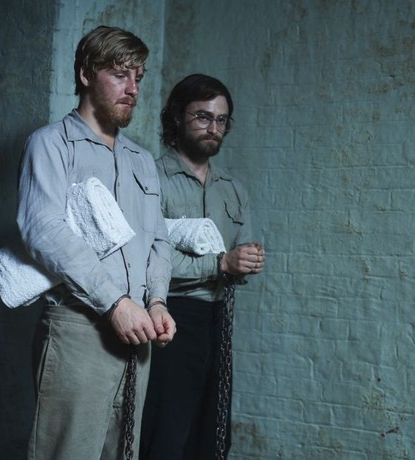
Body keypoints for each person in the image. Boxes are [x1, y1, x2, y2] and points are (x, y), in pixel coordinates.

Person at [17, 25, 176, 460]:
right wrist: (115, 303)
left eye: (138, 77)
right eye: (120, 75)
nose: (133, 89)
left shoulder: (142, 160)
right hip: (79, 331)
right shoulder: (50, 144)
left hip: (138, 329)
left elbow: (158, 239)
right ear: (86, 74)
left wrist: (157, 301)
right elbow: (43, 229)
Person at [140, 74, 265, 460]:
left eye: (221, 120)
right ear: (177, 117)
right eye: (203, 117)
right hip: (168, 318)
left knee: (211, 433)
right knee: (166, 432)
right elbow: (145, 258)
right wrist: (222, 262)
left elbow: (238, 256)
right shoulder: (150, 178)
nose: (214, 128)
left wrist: (245, 261)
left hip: (218, 317)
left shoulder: (233, 188)